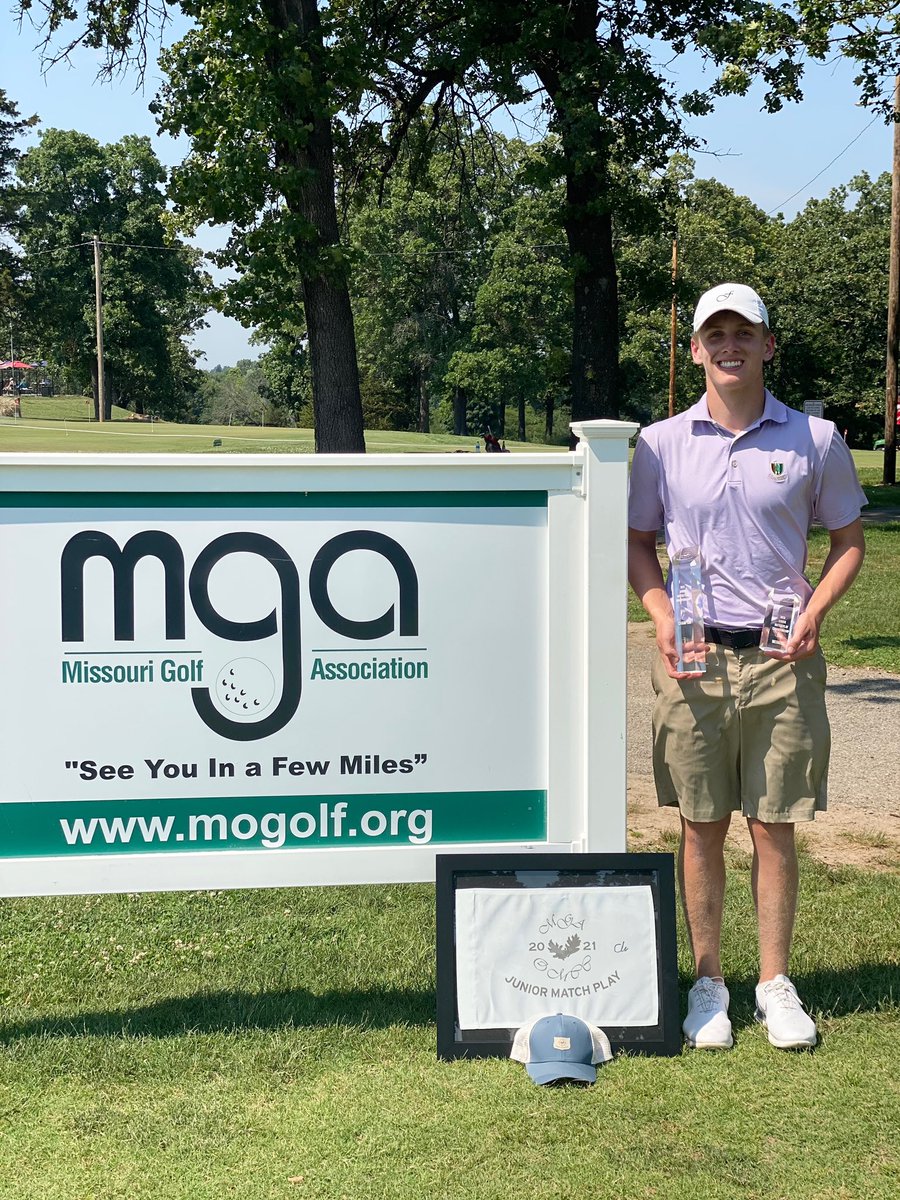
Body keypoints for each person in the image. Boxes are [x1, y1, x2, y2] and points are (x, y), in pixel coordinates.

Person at [627, 283, 866, 1051]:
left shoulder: (815, 440)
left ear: (769, 345)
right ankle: (706, 985)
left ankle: (772, 983)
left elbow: (849, 541)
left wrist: (817, 614)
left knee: (774, 825)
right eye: (714, 334)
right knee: (701, 825)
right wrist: (660, 613)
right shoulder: (661, 443)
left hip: (780, 656)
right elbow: (637, 543)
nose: (729, 345)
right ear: (694, 349)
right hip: (694, 654)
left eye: (744, 333)